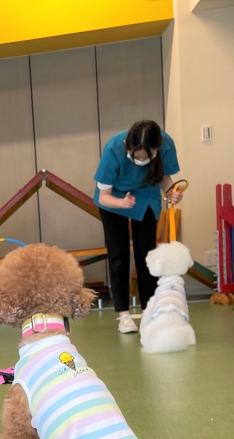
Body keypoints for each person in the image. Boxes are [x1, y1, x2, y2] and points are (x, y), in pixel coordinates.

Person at [93, 120, 182, 334]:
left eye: (146, 156)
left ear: (156, 149)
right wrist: (122, 203)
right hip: (113, 199)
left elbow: (165, 179)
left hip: (146, 195)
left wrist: (173, 192)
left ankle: (149, 311)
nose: (141, 161)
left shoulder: (166, 143)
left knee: (146, 255)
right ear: (128, 148)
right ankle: (123, 315)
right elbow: (103, 196)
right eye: (136, 157)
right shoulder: (114, 147)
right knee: (119, 255)